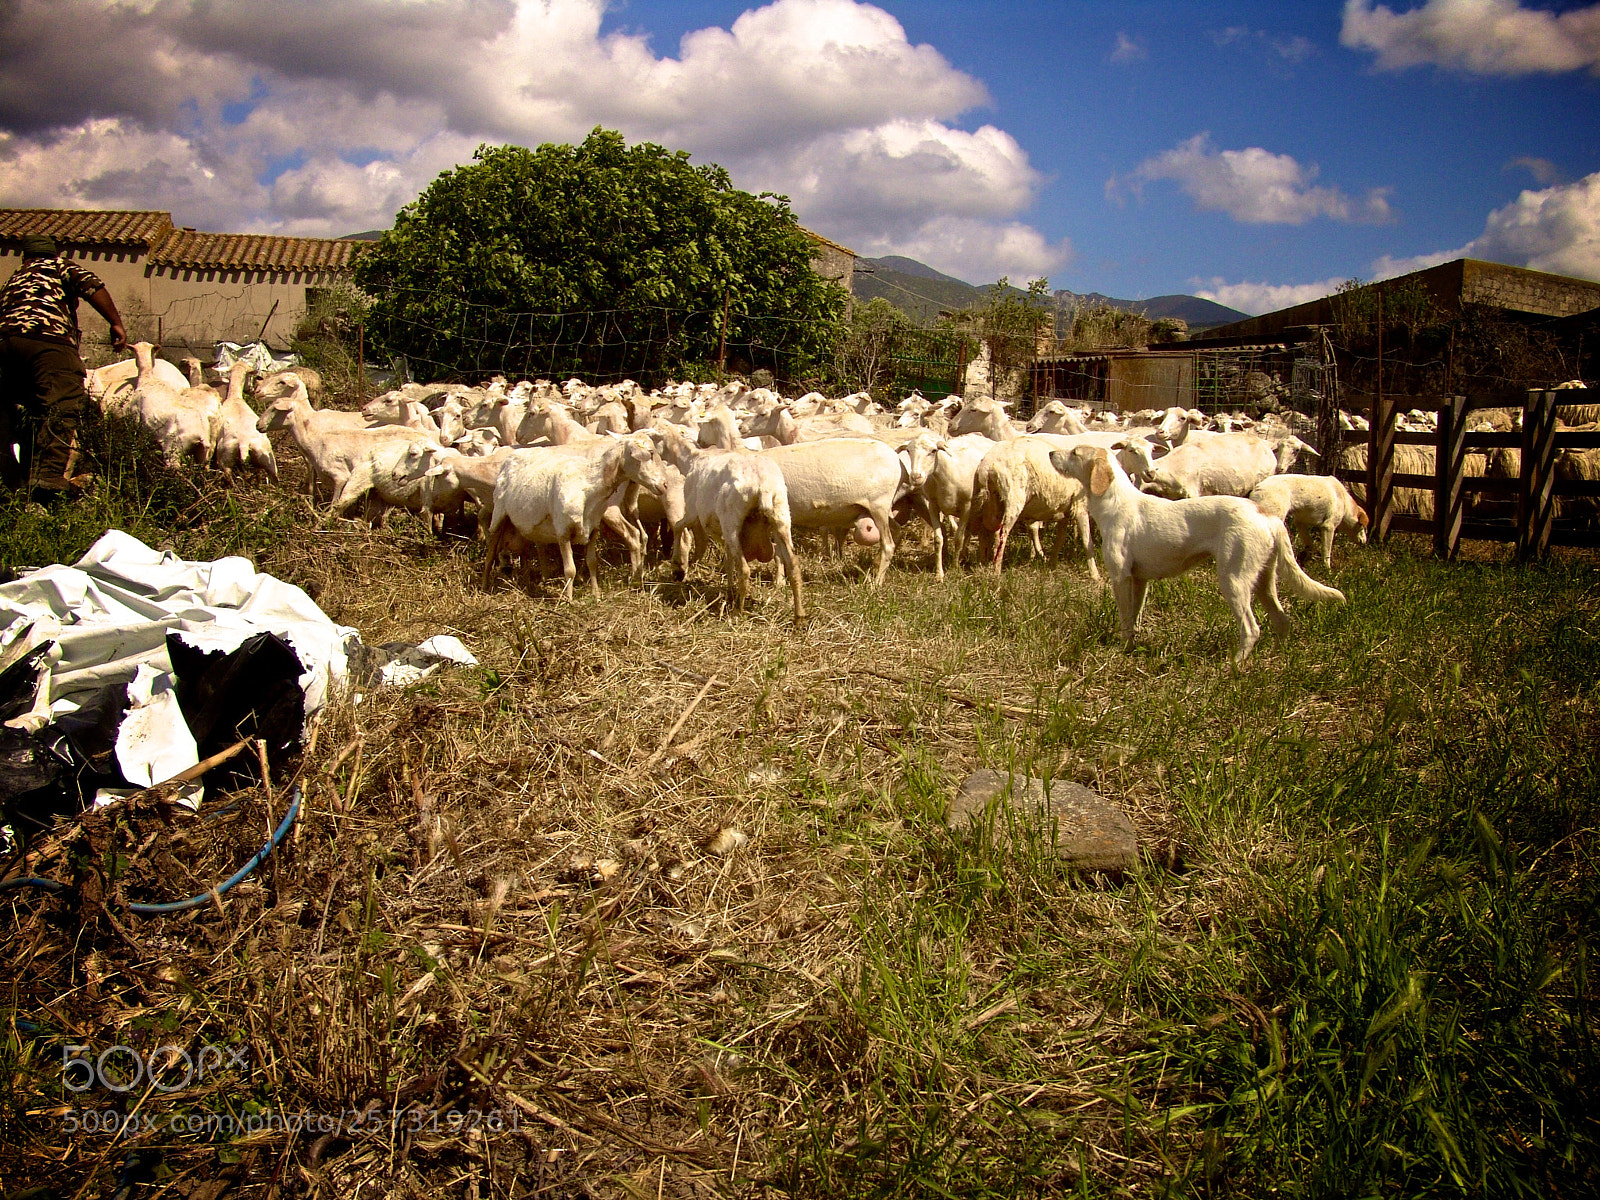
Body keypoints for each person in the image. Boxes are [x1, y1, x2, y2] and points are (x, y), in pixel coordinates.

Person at [0, 234, 128, 498]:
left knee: (15, 409)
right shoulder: (59, 265)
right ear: (52, 252)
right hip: (48, 341)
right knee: (61, 403)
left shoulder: (14, 279)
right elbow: (93, 286)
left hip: (5, 343)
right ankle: (46, 478)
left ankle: (11, 478)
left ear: (25, 256)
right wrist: (115, 322)